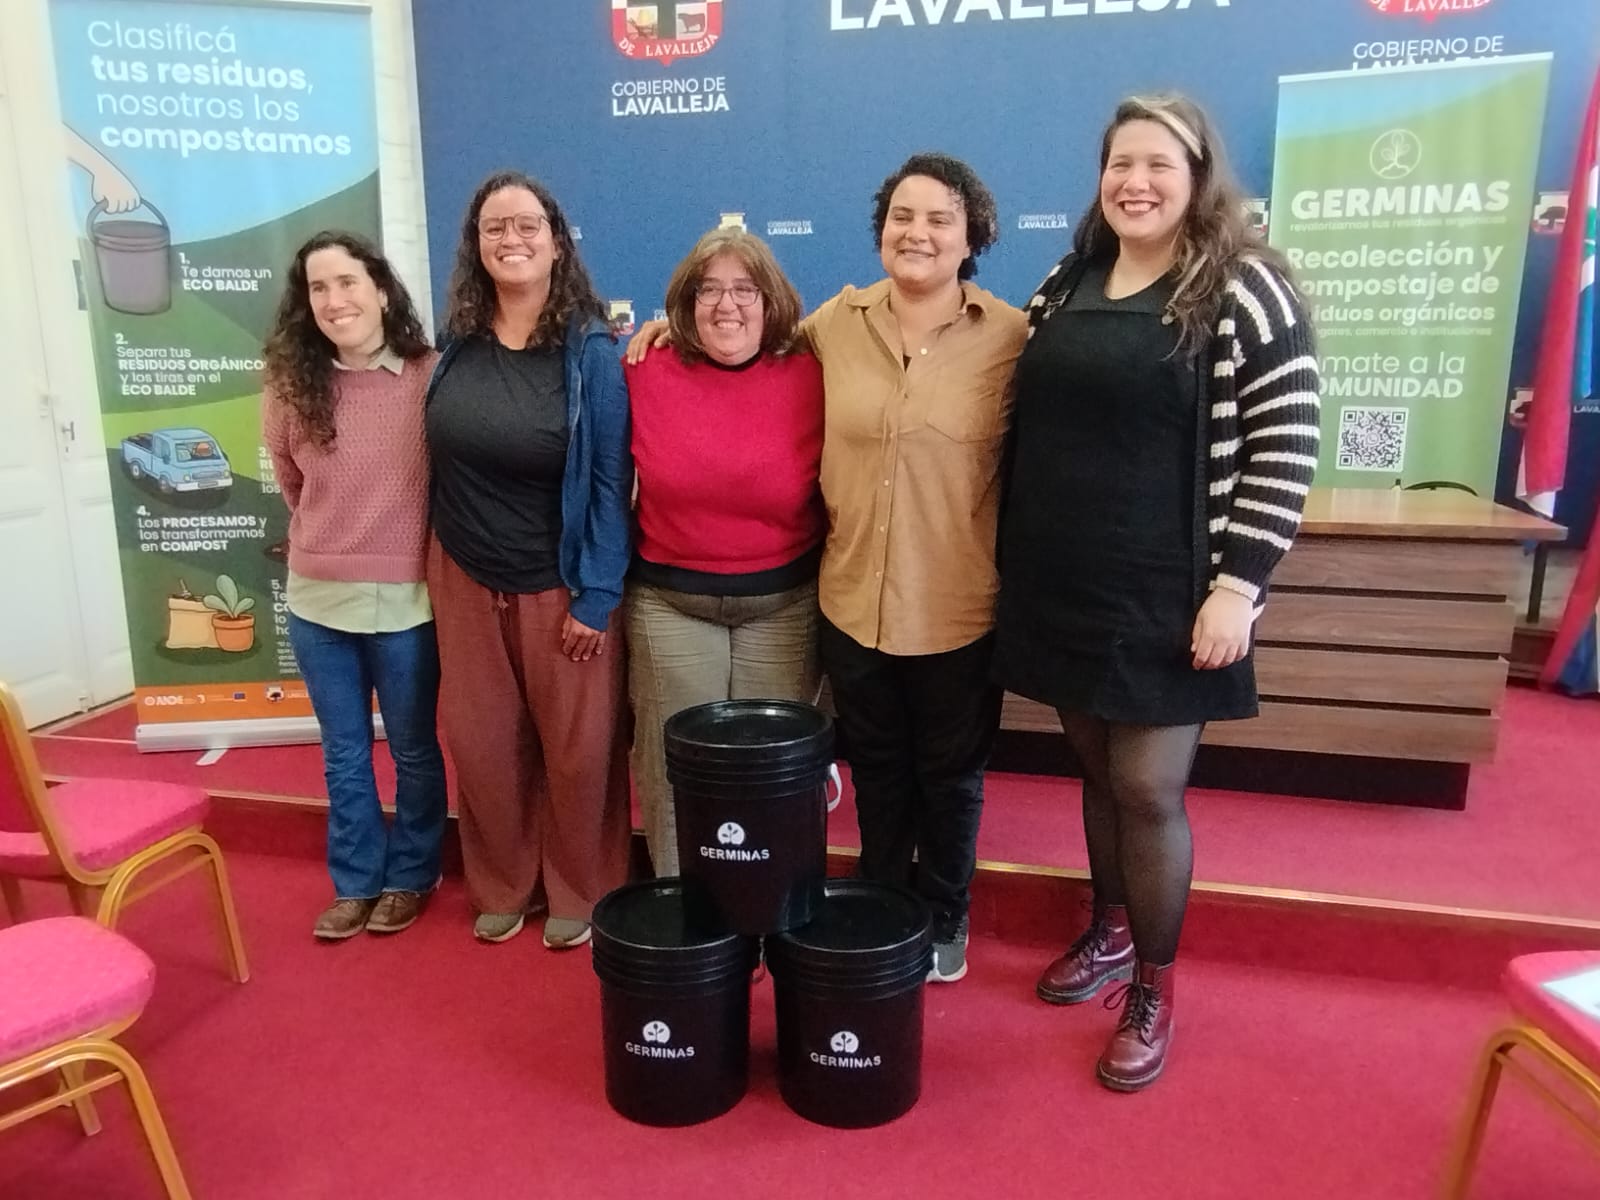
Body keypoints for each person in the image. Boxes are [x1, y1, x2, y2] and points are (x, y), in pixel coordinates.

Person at [630, 153, 1027, 982]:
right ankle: (880, 908)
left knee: (949, 779)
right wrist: (666, 326)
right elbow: (743, 330)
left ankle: (944, 915)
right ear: (881, 230)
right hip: (850, 600)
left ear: (973, 238)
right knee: (876, 772)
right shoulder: (834, 326)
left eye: (940, 220)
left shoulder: (1011, 338)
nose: (918, 233)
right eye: (902, 216)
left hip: (956, 602)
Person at [994, 94, 1321, 1091]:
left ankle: (1153, 984)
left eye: (1158, 165)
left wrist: (1239, 586)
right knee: (1097, 773)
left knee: (1145, 787)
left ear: (1198, 177)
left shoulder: (1246, 286)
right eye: (1120, 164)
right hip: (1062, 578)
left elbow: (1286, 448)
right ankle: (1108, 929)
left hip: (1171, 592)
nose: (1135, 183)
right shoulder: (1070, 278)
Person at [425, 170, 633, 948]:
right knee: (483, 745)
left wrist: (598, 594)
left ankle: (581, 887)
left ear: (556, 243)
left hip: (561, 582)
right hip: (463, 573)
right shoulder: (456, 343)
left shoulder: (590, 352)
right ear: (475, 246)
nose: (510, 239)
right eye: (494, 227)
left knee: (580, 754)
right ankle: (504, 884)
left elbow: (611, 482)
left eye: (526, 226)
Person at [262, 231, 446, 941]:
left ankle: (412, 874)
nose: (334, 300)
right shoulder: (290, 385)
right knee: (343, 751)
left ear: (382, 291)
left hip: (407, 603)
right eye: (318, 288)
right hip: (318, 602)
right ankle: (356, 882)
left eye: (347, 282)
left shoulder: (429, 375)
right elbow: (292, 484)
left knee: (413, 749)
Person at [624, 227, 825, 875]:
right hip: (670, 603)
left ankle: (768, 904)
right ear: (686, 303)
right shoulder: (642, 368)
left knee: (770, 771)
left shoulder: (816, 369)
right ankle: (680, 904)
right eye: (708, 290)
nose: (726, 305)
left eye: (745, 289)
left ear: (771, 302)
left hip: (783, 605)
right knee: (674, 766)